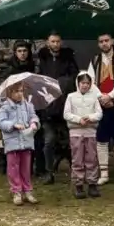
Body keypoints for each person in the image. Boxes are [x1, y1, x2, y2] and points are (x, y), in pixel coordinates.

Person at [87, 33, 114, 185]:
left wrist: (111, 96)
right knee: (101, 138)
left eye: (106, 40)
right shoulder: (94, 60)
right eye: (101, 41)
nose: (104, 43)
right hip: (101, 106)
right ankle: (104, 174)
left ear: (112, 41)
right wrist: (102, 98)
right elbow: (90, 82)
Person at [36, 32, 80, 184]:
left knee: (72, 141)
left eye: (58, 41)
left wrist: (61, 83)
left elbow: (75, 78)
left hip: (65, 106)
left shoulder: (68, 58)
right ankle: (49, 172)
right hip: (48, 109)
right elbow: (38, 81)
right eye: (52, 41)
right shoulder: (42, 59)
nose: (55, 44)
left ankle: (77, 171)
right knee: (49, 141)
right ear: (48, 43)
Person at [0, 82, 39, 206]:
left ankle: (27, 190)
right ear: (10, 93)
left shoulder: (28, 105)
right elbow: (0, 122)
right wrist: (13, 125)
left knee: (26, 167)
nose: (20, 94)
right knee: (13, 168)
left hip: (26, 140)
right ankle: (16, 191)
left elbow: (33, 116)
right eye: (16, 91)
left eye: (21, 91)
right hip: (12, 142)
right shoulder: (5, 107)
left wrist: (34, 123)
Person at [64, 72, 104, 199]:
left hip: (90, 132)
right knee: (77, 159)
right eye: (83, 83)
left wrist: (90, 118)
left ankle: (92, 183)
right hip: (75, 132)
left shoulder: (93, 98)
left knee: (91, 158)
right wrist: (78, 119)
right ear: (78, 83)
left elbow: (99, 113)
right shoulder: (71, 97)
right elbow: (66, 114)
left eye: (88, 83)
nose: (85, 85)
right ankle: (78, 185)